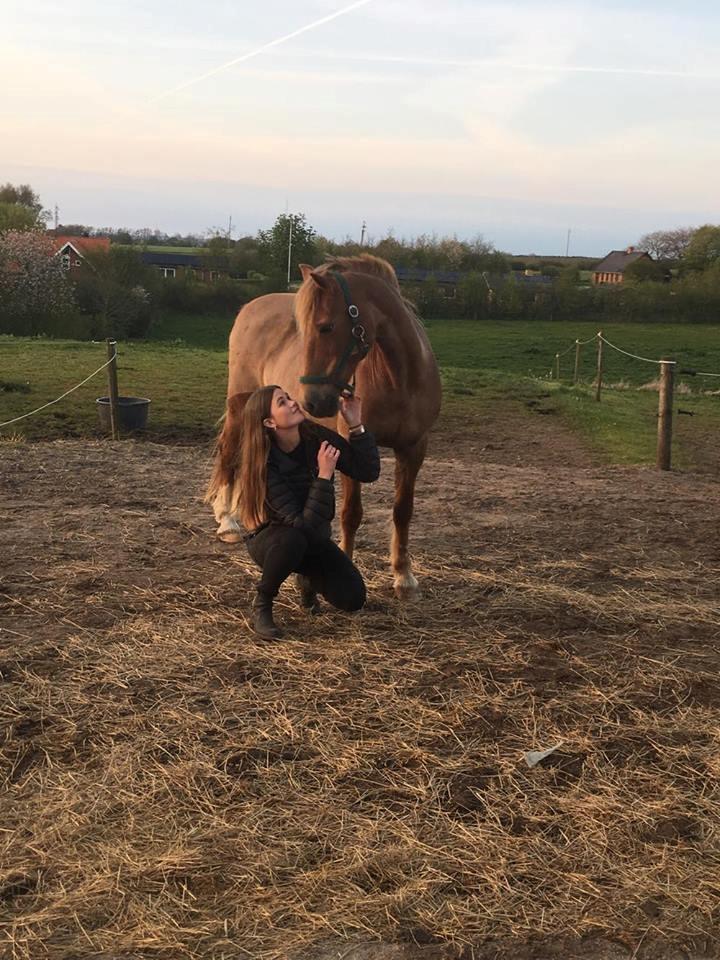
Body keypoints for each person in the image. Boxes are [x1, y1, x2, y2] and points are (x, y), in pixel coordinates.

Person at [235, 385, 381, 640]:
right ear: (269, 422)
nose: (293, 403)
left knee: (353, 598)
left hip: (313, 538)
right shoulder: (264, 463)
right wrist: (324, 476)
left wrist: (356, 425)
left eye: (289, 397)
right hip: (274, 542)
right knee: (292, 539)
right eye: (282, 402)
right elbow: (300, 524)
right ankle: (263, 603)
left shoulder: (316, 437)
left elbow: (368, 471)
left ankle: (307, 580)